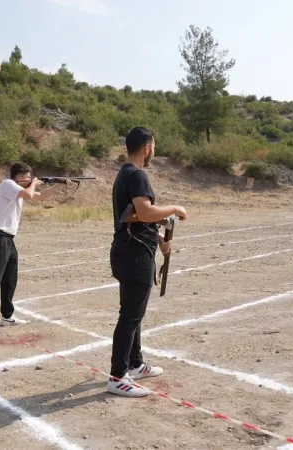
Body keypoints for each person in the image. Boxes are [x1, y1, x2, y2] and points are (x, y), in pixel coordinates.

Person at [107, 127, 187, 397]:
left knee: (134, 313)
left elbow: (135, 217)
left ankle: (135, 363)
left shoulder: (124, 174)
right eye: (154, 145)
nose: (154, 150)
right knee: (130, 317)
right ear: (147, 147)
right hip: (134, 255)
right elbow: (145, 211)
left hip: (129, 251)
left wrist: (160, 240)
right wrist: (174, 209)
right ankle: (118, 376)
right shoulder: (137, 175)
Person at [0, 162, 73, 337]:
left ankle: (7, 315)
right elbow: (29, 193)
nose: (29, 179)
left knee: (10, 278)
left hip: (8, 238)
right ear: (19, 177)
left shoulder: (17, 190)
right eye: (27, 177)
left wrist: (60, 185)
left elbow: (39, 197)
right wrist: (34, 183)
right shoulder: (8, 184)